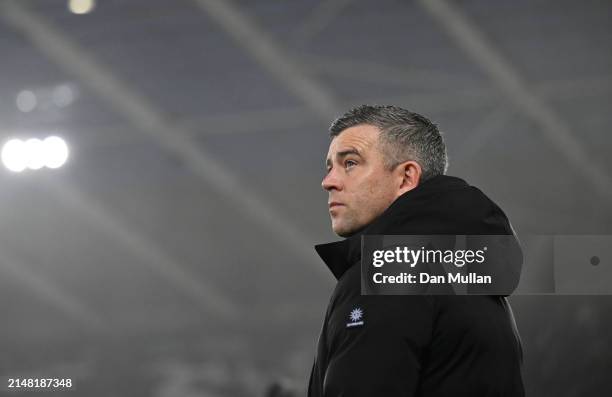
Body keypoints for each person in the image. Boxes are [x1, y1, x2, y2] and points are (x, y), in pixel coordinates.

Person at [308, 105, 524, 396]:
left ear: (406, 177)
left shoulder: (388, 273)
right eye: (330, 167)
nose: (328, 182)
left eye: (350, 163)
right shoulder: (471, 278)